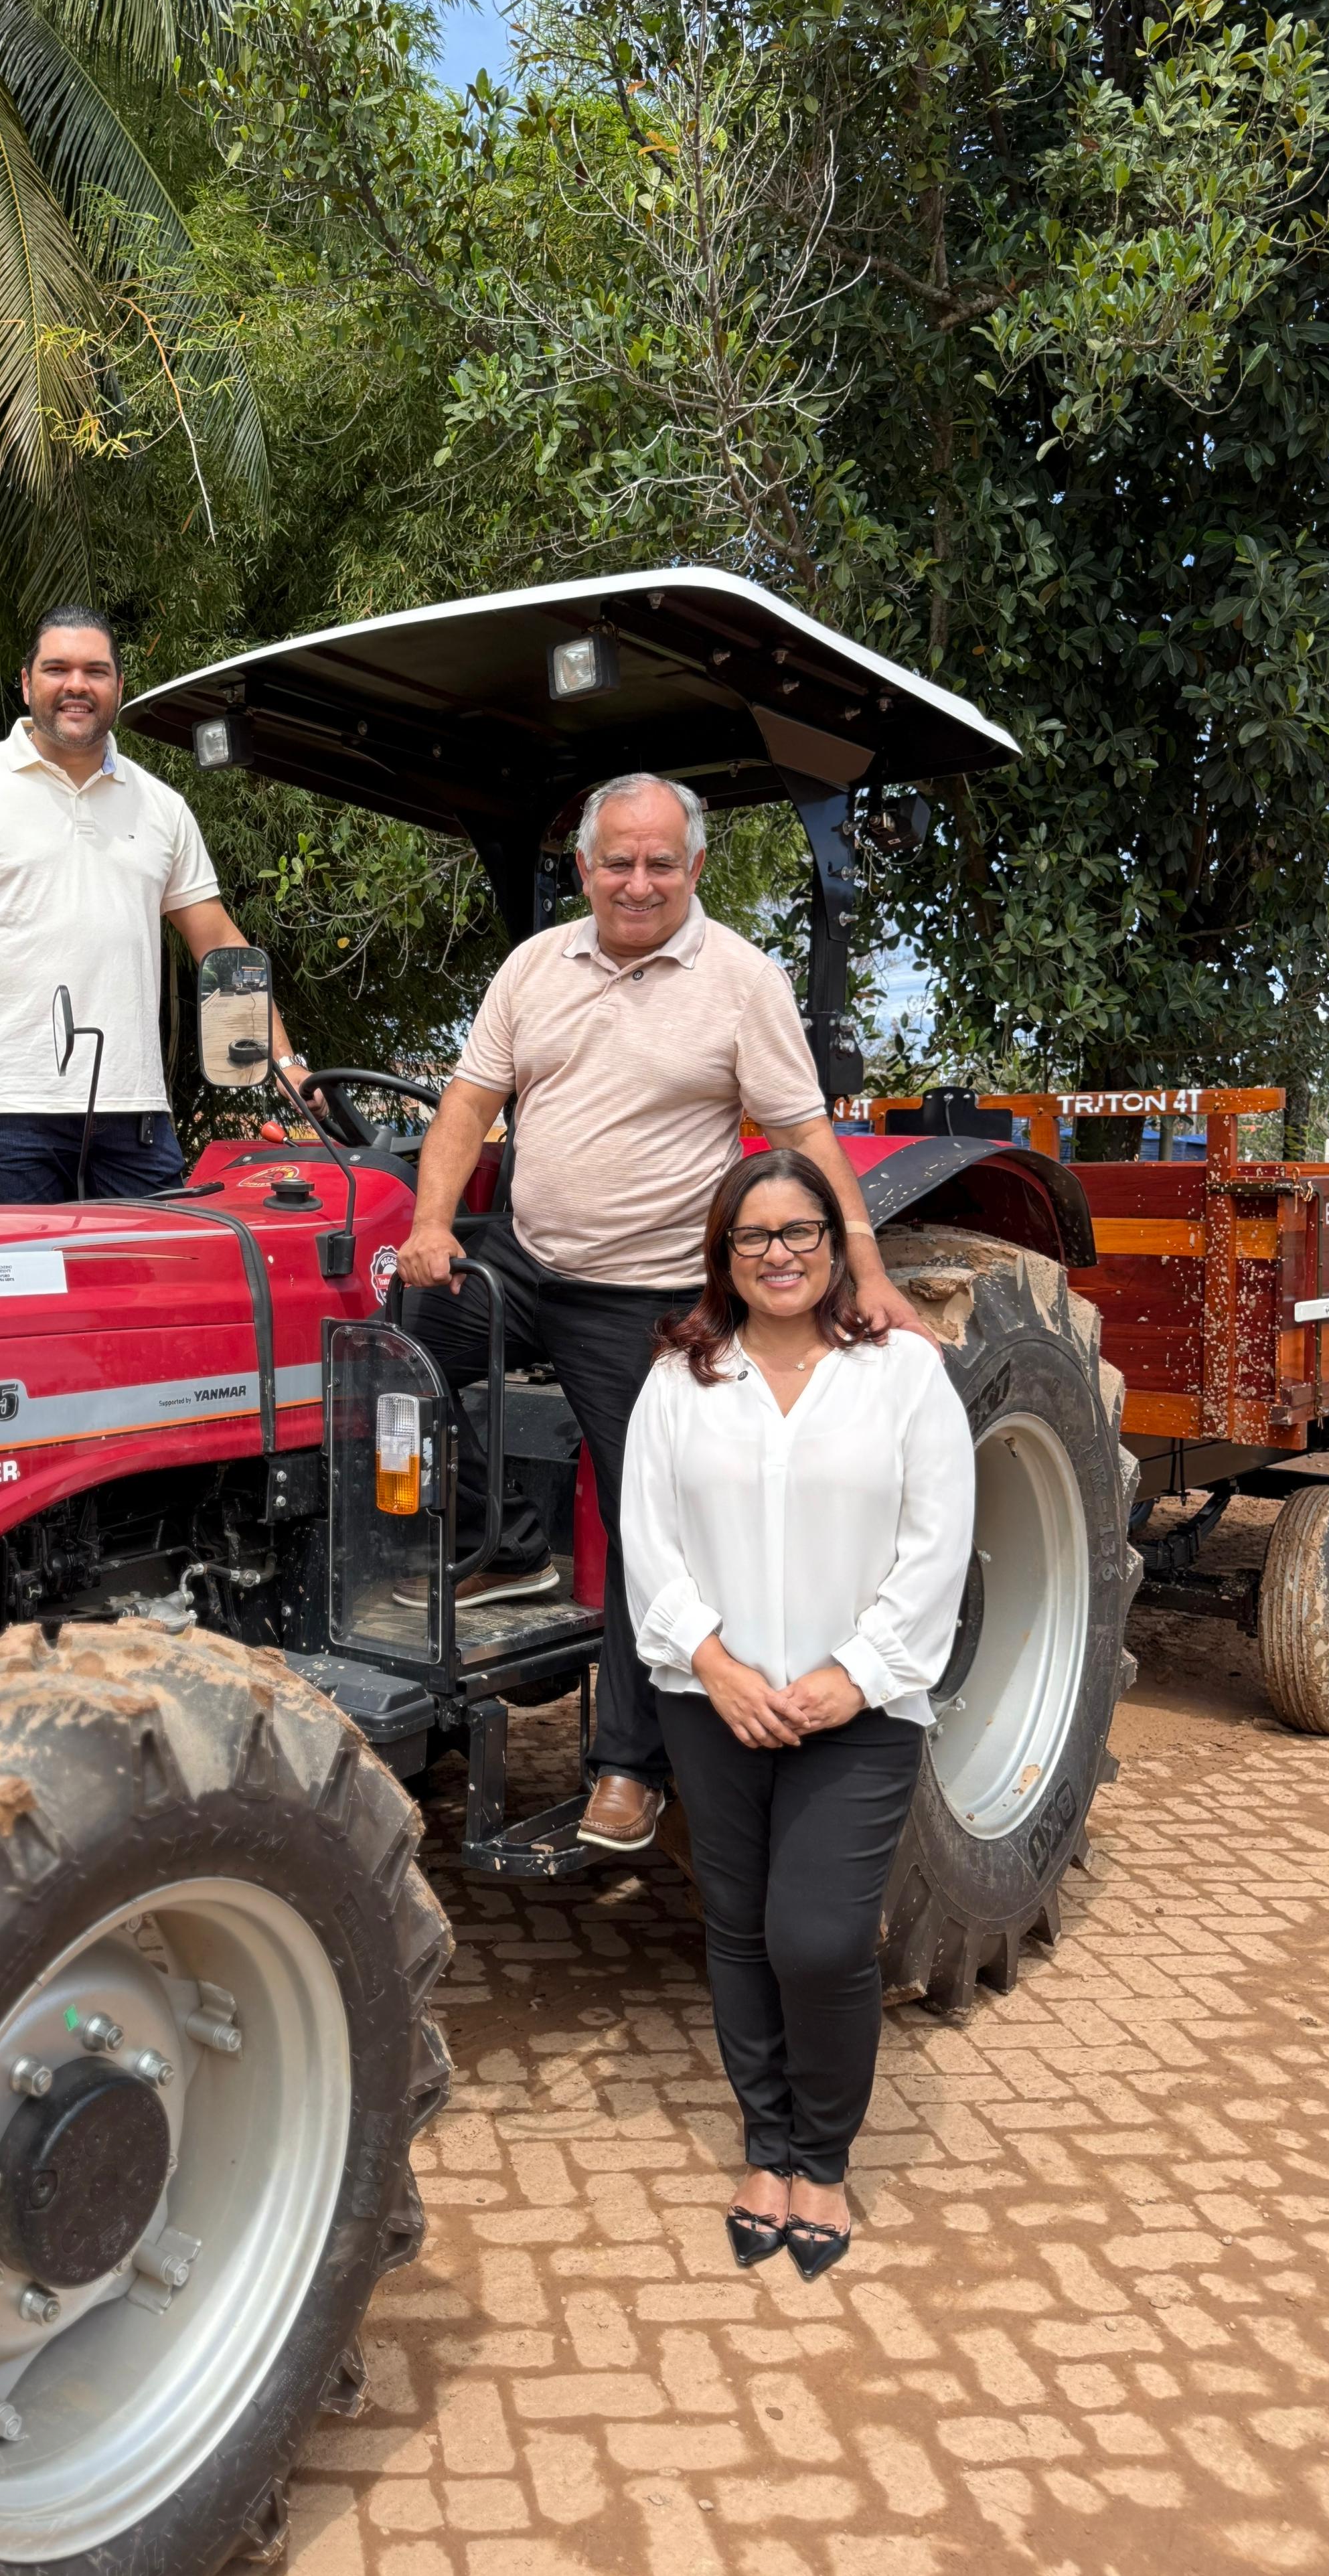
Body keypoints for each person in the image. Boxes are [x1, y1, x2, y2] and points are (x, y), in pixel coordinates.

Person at [395, 770, 931, 1857]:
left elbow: (806, 1137)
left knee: (652, 1517)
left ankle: (629, 1769)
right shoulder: (534, 967)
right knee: (381, 1361)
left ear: (694, 868)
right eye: (616, 861)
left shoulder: (741, 982)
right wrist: (433, 1225)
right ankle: (503, 1540)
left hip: (643, 1296)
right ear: (585, 867)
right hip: (523, 1262)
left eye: (659, 862)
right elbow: (468, 1104)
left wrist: (867, 1273)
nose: (637, 882)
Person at [621, 1149, 974, 2279]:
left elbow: (937, 1545)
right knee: (734, 1927)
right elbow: (647, 1541)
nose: (780, 1254)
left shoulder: (904, 1378)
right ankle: (766, 2143)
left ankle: (823, 2156)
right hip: (713, 1702)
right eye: (754, 1237)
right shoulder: (684, 1379)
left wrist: (855, 1674)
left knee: (816, 1941)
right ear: (723, 1257)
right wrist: (715, 1665)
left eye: (800, 1232)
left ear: (835, 1242)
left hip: (858, 1711)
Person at [0, 607, 312, 1202]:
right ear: (26, 682)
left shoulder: (161, 807)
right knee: (34, 1296)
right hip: (12, 1113)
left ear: (119, 685)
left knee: (150, 1293)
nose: (76, 685)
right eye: (57, 668)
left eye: (95, 671)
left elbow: (219, 944)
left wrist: (286, 1062)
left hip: (135, 1114)